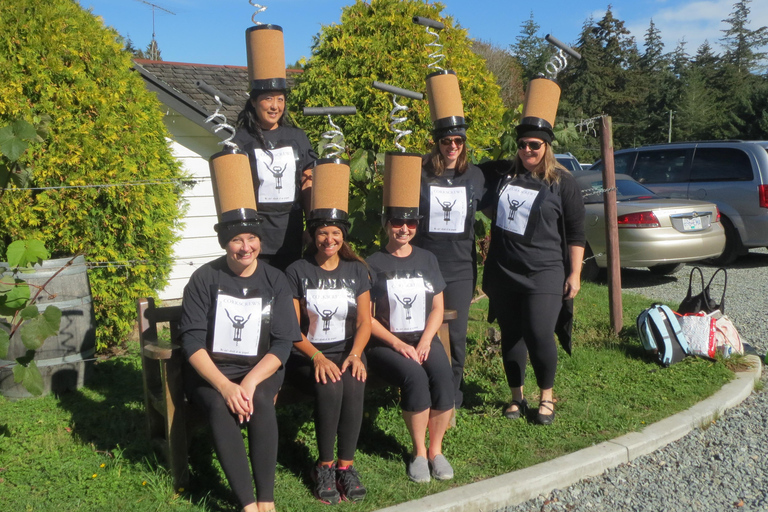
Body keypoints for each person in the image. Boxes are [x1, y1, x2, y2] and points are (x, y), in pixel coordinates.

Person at [179, 214, 301, 512]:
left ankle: (266, 501)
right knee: (221, 405)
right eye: (237, 240)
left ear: (260, 241)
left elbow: (284, 341)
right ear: (225, 243)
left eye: (252, 239)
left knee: (259, 397)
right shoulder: (205, 278)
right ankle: (247, 504)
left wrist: (247, 383)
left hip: (260, 370)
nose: (246, 247)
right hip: (212, 373)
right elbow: (192, 342)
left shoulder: (275, 280)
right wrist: (224, 386)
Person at [481, 128, 585, 426]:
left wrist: (575, 273)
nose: (527, 150)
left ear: (547, 146)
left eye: (534, 145)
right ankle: (516, 397)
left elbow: (577, 233)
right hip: (505, 271)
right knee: (511, 335)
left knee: (539, 333)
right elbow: (467, 170)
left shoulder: (562, 183)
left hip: (545, 272)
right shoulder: (505, 176)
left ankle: (547, 397)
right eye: (523, 144)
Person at [284, 219, 371, 504]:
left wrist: (356, 354)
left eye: (335, 233)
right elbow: (291, 328)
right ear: (313, 235)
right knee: (331, 385)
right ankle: (323, 467)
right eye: (322, 232)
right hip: (307, 354)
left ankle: (346, 467)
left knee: (355, 382)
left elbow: (364, 321)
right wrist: (317, 357)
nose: (329, 239)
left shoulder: (356, 270)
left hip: (347, 352)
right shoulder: (297, 271)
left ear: (343, 236)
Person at [365, 215, 455, 483]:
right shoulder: (372, 263)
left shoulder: (427, 259)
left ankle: (435, 451)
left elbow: (438, 308)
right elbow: (367, 318)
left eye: (412, 222)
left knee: (442, 374)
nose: (404, 228)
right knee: (414, 376)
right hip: (386, 342)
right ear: (385, 224)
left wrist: (427, 340)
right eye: (397, 222)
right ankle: (418, 453)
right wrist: (398, 344)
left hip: (423, 337)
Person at [414, 126, 485, 408]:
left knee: (456, 335)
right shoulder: (422, 173)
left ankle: (452, 396)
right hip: (426, 263)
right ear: (437, 143)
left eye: (458, 141)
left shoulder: (475, 176)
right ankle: (423, 391)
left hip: (460, 266)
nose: (452, 146)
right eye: (446, 141)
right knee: (422, 329)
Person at [233, 89, 317, 270]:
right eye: (268, 99)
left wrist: (311, 225)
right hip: (255, 239)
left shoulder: (297, 137)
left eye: (280, 99)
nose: (275, 106)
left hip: (291, 235)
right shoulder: (240, 139)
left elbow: (307, 182)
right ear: (254, 102)